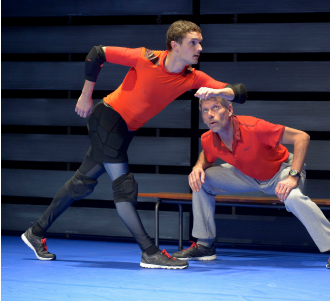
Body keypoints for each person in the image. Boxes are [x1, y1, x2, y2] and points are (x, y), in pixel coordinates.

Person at [21, 20, 247, 270]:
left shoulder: (193, 78)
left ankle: (35, 231)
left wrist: (219, 93)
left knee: (81, 184)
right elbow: (97, 53)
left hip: (124, 130)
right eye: (193, 42)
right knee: (124, 188)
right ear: (175, 45)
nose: (200, 48)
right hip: (107, 118)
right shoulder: (145, 58)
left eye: (200, 42)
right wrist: (86, 95)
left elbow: (239, 91)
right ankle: (149, 252)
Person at [171, 96, 330, 269]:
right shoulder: (209, 138)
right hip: (247, 175)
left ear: (230, 109)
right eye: (205, 110)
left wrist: (293, 176)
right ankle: (204, 246)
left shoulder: (254, 127)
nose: (210, 114)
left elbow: (302, 138)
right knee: (201, 180)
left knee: (293, 197)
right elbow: (206, 156)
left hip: (281, 171)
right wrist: (197, 168)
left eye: (215, 108)